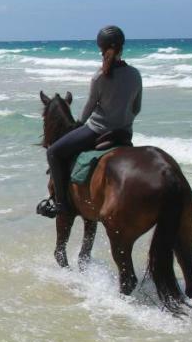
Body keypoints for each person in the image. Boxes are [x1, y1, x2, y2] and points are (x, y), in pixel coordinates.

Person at [36, 25, 142, 218]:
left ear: (100, 48)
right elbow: (137, 108)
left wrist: (78, 125)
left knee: (53, 152)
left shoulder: (99, 77)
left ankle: (61, 205)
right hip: (125, 133)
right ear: (122, 46)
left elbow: (88, 111)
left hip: (97, 130)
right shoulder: (135, 74)